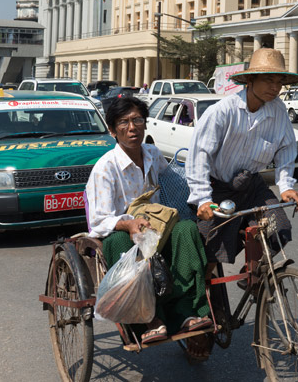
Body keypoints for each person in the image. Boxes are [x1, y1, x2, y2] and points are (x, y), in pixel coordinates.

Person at [84, 97, 213, 360]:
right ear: (113, 130)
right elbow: (98, 221)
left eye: (137, 120)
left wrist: (202, 200)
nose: (132, 127)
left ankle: (188, 312)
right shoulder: (105, 168)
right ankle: (148, 320)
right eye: (124, 122)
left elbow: (175, 182)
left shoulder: (152, 154)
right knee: (121, 243)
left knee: (187, 230)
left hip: (157, 229)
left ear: (145, 123)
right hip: (124, 233)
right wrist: (129, 224)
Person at [187, 48, 298, 269]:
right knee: (210, 253)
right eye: (268, 80)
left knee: (279, 229)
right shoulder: (222, 112)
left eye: (279, 82)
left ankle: (255, 274)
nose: (275, 87)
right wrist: (202, 199)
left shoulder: (278, 110)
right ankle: (208, 281)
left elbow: (286, 148)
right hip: (219, 188)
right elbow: (199, 155)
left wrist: (286, 185)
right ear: (250, 80)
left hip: (252, 186)